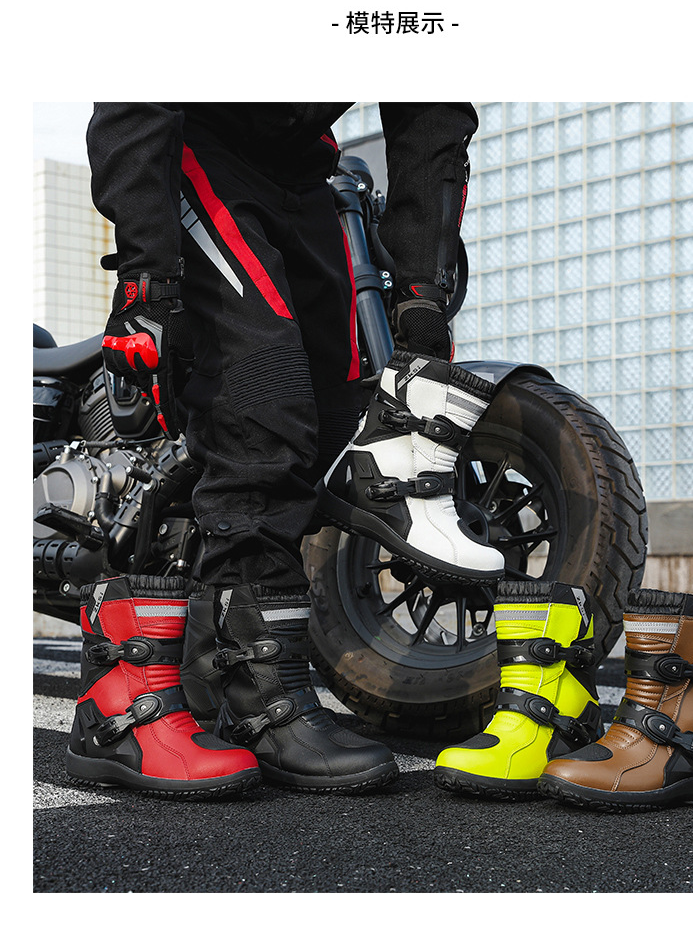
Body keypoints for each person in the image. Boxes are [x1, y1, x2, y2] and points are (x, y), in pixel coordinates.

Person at [65, 103, 504, 799]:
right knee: (264, 402)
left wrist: (423, 290)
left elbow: (431, 118)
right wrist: (146, 276)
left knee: (334, 417)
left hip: (304, 171)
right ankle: (261, 697)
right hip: (199, 144)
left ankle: (217, 669)